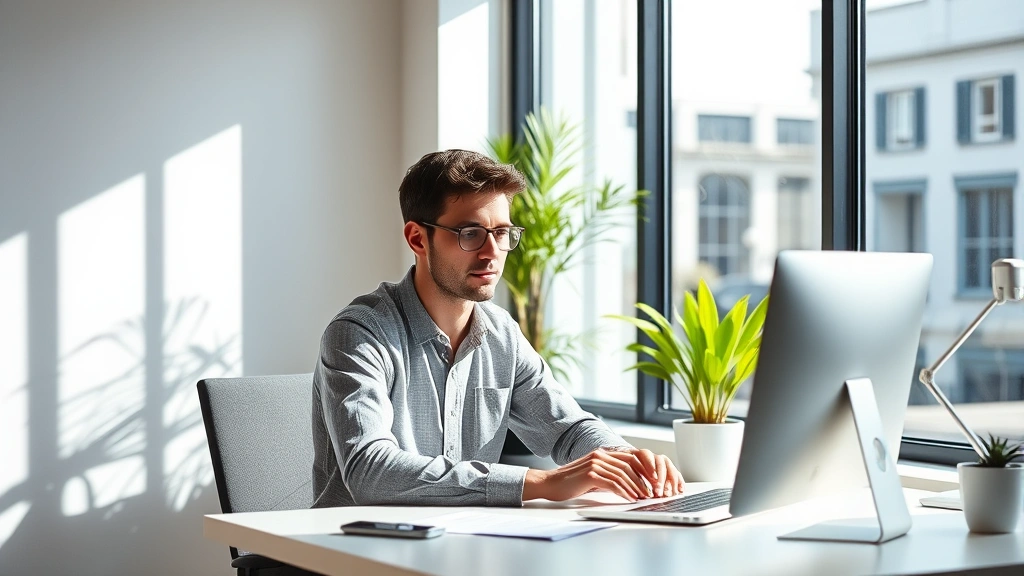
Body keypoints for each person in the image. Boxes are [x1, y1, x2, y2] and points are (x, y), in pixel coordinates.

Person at [311, 149, 684, 508]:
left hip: (459, 544)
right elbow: (369, 471)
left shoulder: (501, 335)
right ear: (417, 238)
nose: (492, 252)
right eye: (470, 233)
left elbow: (567, 428)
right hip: (345, 555)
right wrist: (540, 483)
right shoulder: (360, 333)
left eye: (502, 233)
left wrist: (628, 460)